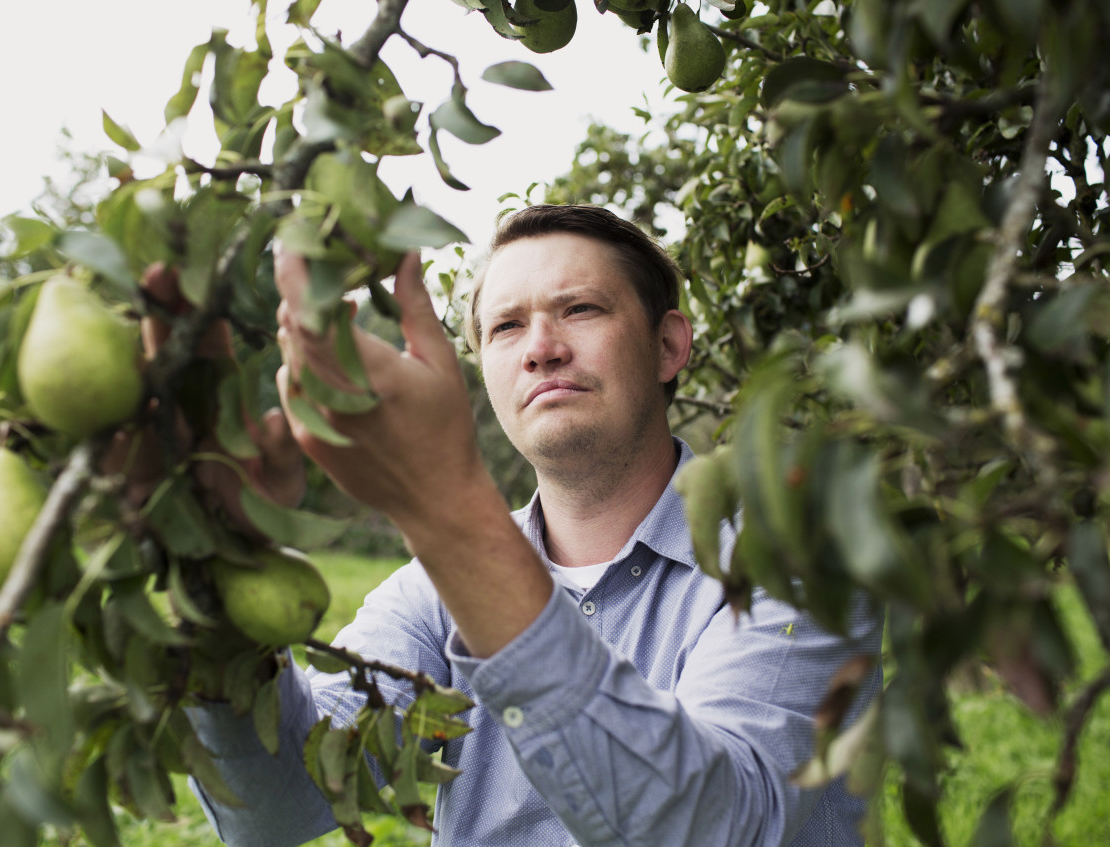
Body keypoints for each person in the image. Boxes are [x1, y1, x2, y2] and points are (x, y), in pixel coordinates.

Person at [186, 204, 884, 847]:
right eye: (507, 326)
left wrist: (446, 508)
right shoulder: (433, 592)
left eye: (579, 309)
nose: (541, 348)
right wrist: (225, 573)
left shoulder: (795, 556)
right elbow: (277, 806)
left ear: (669, 345)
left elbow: (721, 824)